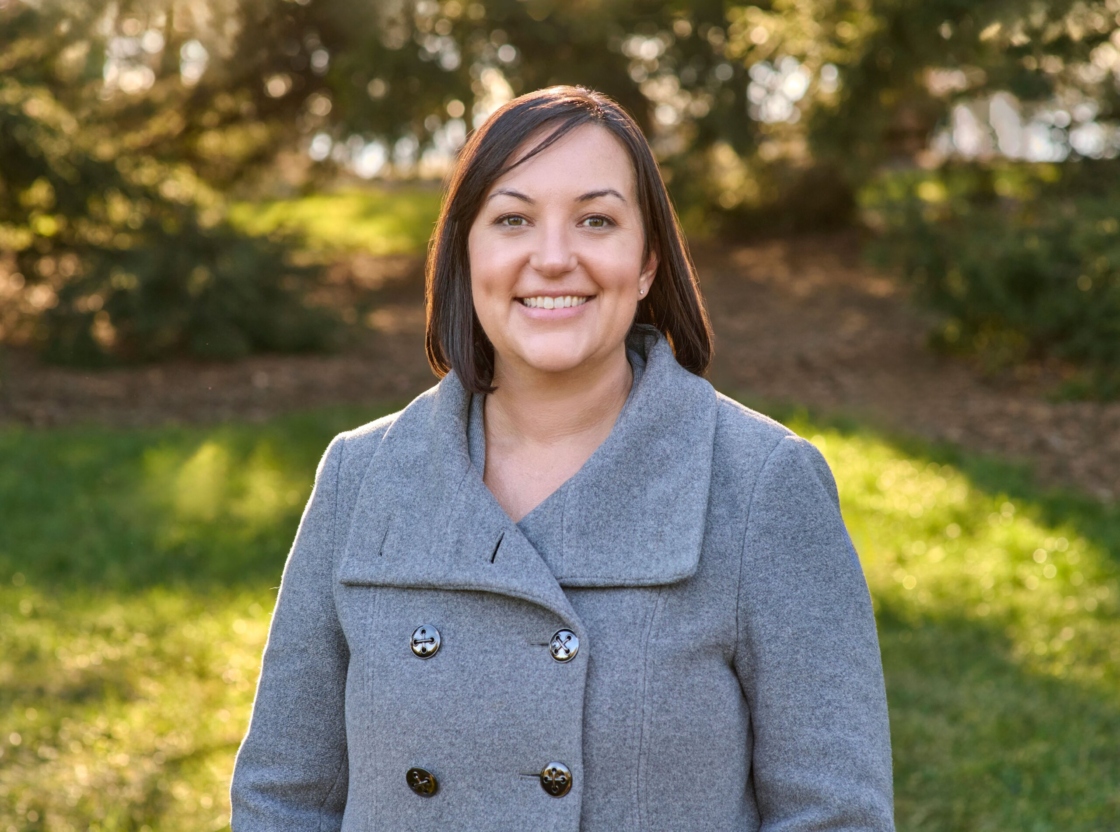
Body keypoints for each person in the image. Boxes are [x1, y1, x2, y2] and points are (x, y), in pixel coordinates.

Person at [230, 86, 894, 831]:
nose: (553, 258)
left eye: (596, 221)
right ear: (465, 253)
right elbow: (282, 798)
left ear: (646, 263)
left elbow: (835, 815)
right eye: (512, 220)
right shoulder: (362, 476)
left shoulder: (762, 484)